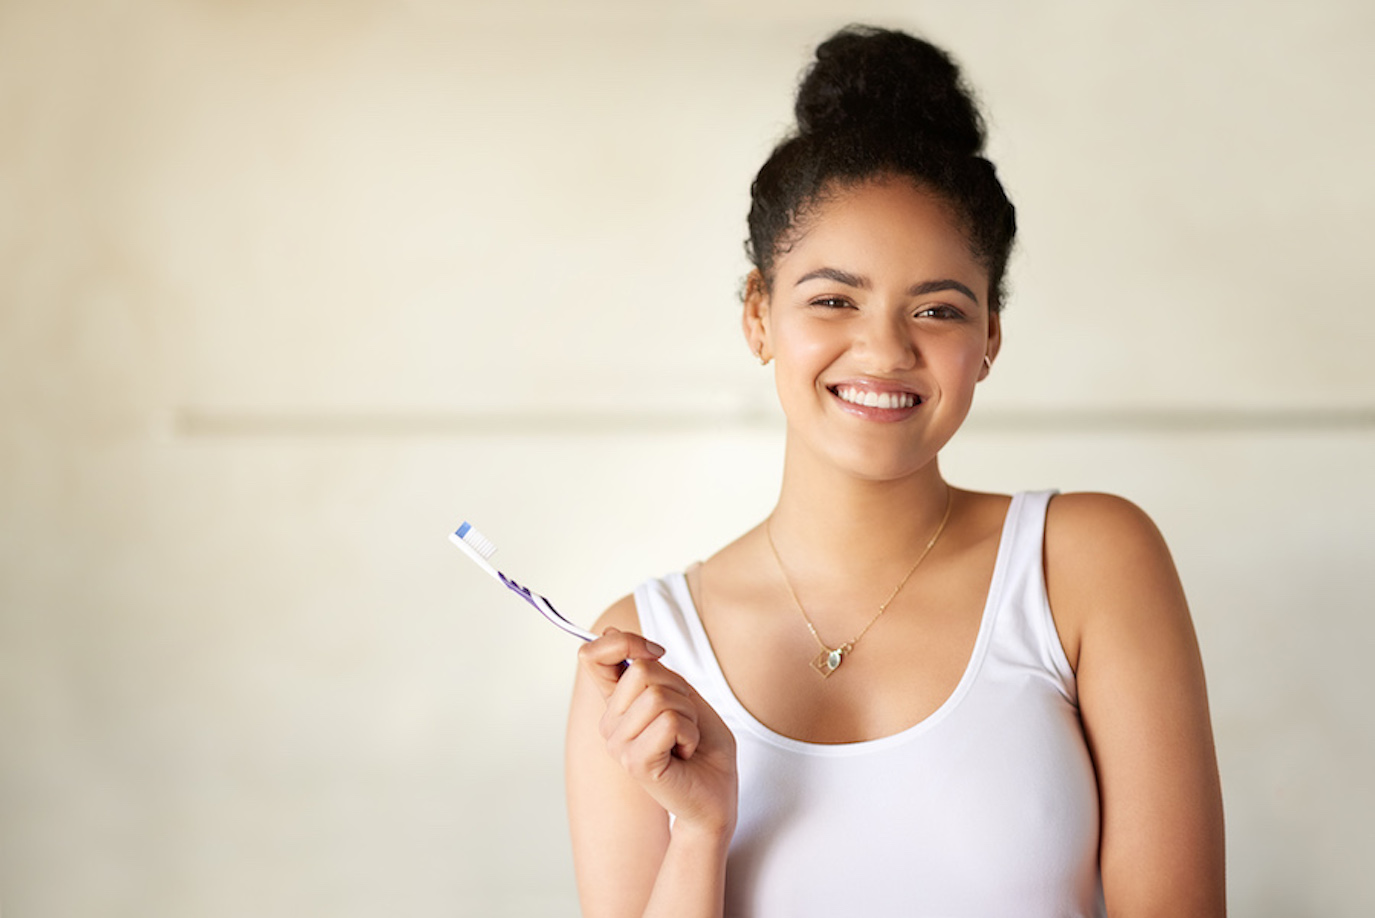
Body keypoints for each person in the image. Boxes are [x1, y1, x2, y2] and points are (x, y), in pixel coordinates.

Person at [565, 24, 1225, 918]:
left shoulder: (1085, 564)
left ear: (989, 336)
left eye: (939, 310)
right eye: (833, 299)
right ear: (758, 314)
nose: (883, 350)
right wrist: (697, 834)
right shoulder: (645, 653)